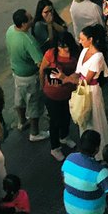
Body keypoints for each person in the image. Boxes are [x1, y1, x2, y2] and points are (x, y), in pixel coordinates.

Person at [5, 9, 46, 141]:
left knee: (19, 100)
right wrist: (43, 82)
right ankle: (35, 133)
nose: (32, 20)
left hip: (17, 74)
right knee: (34, 105)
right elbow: (41, 63)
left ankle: (22, 122)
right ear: (23, 24)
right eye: (30, 19)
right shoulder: (28, 41)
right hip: (30, 78)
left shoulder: (10, 30)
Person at [39, 31, 80, 161]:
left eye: (65, 46)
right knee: (55, 121)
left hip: (68, 93)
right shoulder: (51, 54)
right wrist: (42, 86)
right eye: (60, 46)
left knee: (66, 116)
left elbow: (79, 72)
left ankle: (64, 136)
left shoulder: (76, 54)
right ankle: (55, 147)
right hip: (52, 94)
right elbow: (42, 70)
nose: (63, 49)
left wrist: (68, 78)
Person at [75, 25, 108, 146]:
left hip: (91, 90)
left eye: (82, 39)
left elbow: (87, 79)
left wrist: (66, 79)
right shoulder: (84, 51)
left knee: (95, 118)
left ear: (90, 39)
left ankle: (99, 146)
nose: (80, 41)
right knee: (84, 116)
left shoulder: (98, 56)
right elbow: (78, 72)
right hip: (82, 87)